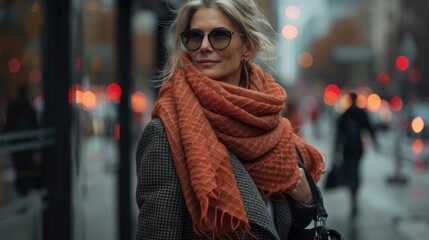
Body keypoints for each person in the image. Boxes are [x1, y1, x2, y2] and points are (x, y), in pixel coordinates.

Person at [135, 0, 325, 239]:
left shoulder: (269, 124)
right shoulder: (165, 134)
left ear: (248, 48)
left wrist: (306, 198)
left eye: (219, 35)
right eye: (195, 36)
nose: (204, 46)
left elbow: (283, 224)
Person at [334, 92, 378, 218]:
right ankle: (354, 194)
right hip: (357, 148)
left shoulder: (345, 114)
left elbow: (339, 135)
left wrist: (336, 151)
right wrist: (375, 142)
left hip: (348, 148)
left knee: (352, 172)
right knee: (355, 172)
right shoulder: (360, 113)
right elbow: (369, 128)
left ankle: (352, 195)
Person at [3, 85, 40, 196]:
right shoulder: (28, 108)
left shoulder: (15, 108)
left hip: (19, 146)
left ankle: (22, 189)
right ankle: (24, 189)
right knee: (24, 168)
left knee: (19, 168)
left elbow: (8, 125)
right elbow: (34, 126)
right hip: (26, 146)